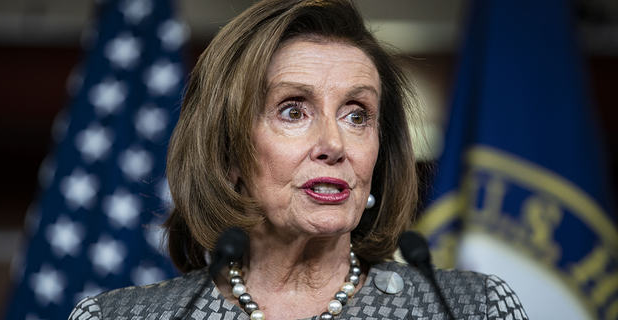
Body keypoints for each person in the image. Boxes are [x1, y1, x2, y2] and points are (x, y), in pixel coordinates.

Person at [69, 0, 528, 319]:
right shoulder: (115, 316)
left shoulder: (474, 309)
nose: (334, 143)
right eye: (293, 110)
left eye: (357, 114)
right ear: (228, 153)